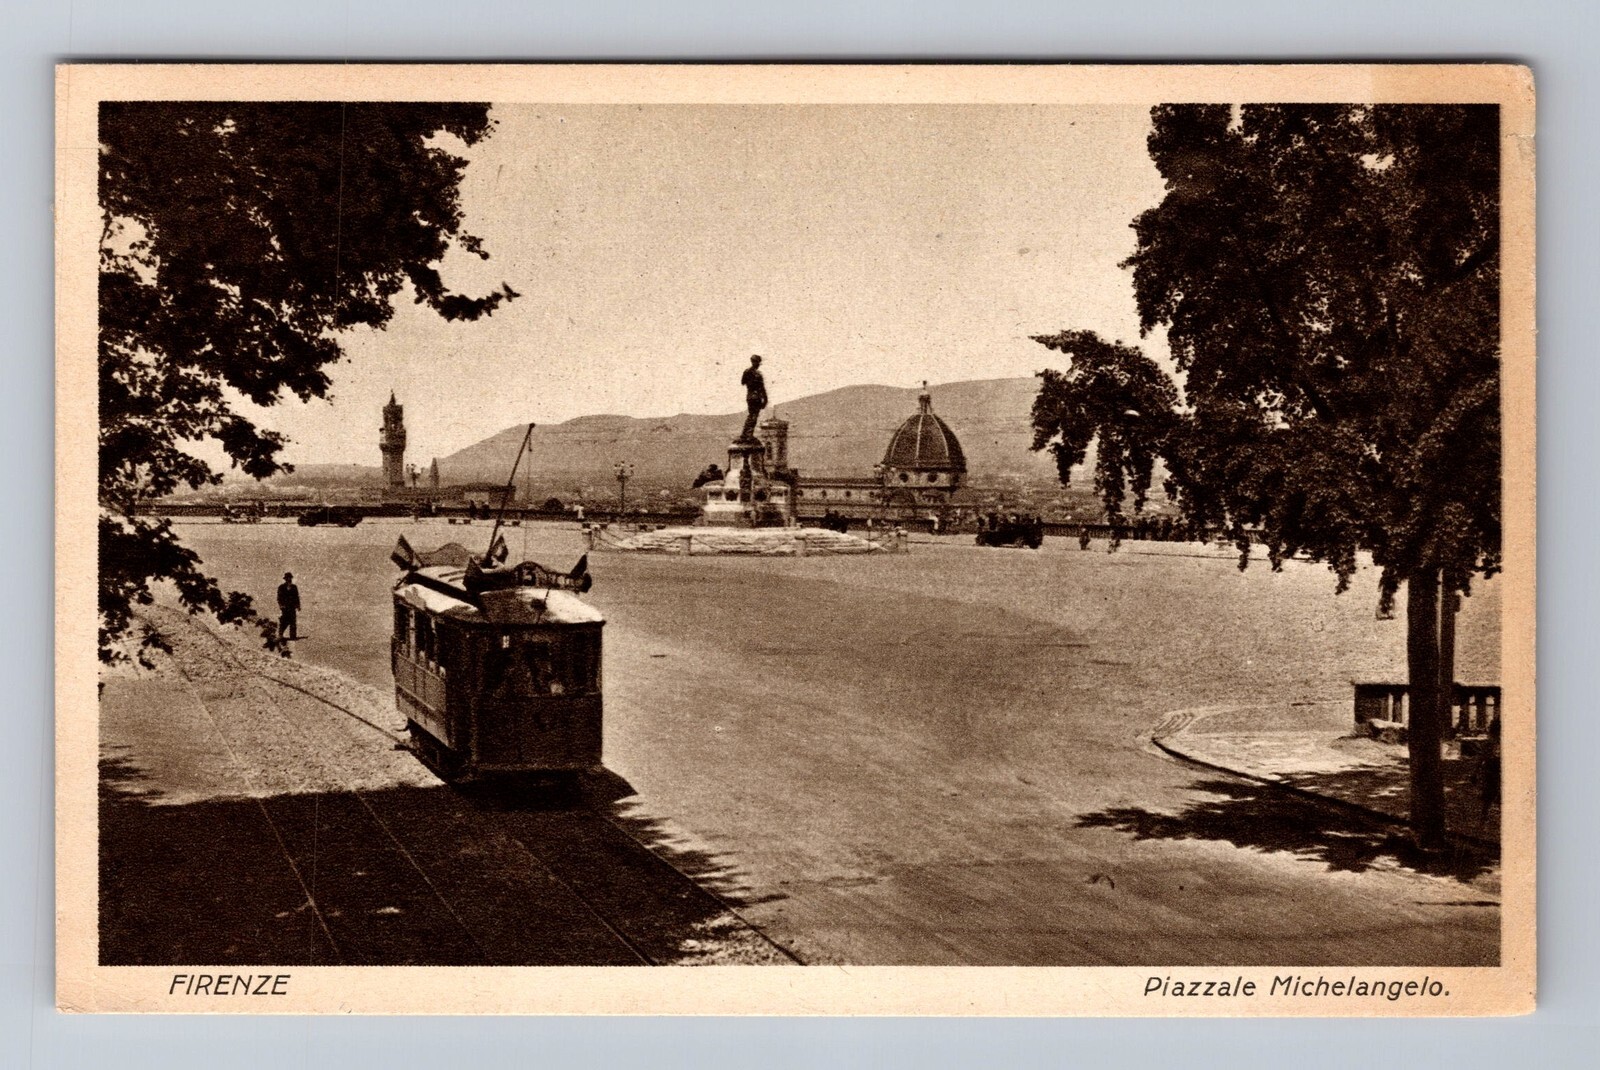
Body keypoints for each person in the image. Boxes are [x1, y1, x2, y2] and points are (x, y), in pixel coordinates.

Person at [739, 354, 768, 442]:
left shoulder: (747, 372)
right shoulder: (758, 374)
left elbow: (743, 382)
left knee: (752, 415)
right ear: (755, 362)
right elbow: (762, 388)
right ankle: (747, 434)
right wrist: (765, 400)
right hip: (755, 397)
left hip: (751, 396)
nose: (758, 364)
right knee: (753, 416)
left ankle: (746, 434)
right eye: (758, 362)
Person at [276, 572, 301, 641]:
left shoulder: (294, 587)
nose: (289, 579)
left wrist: (298, 605)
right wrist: (281, 605)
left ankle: (293, 636)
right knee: (284, 621)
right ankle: (280, 634)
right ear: (285, 579)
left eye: (290, 578)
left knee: (293, 621)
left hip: (292, 607)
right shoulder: (281, 587)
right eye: (288, 578)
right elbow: (279, 597)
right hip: (285, 607)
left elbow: (296, 597)